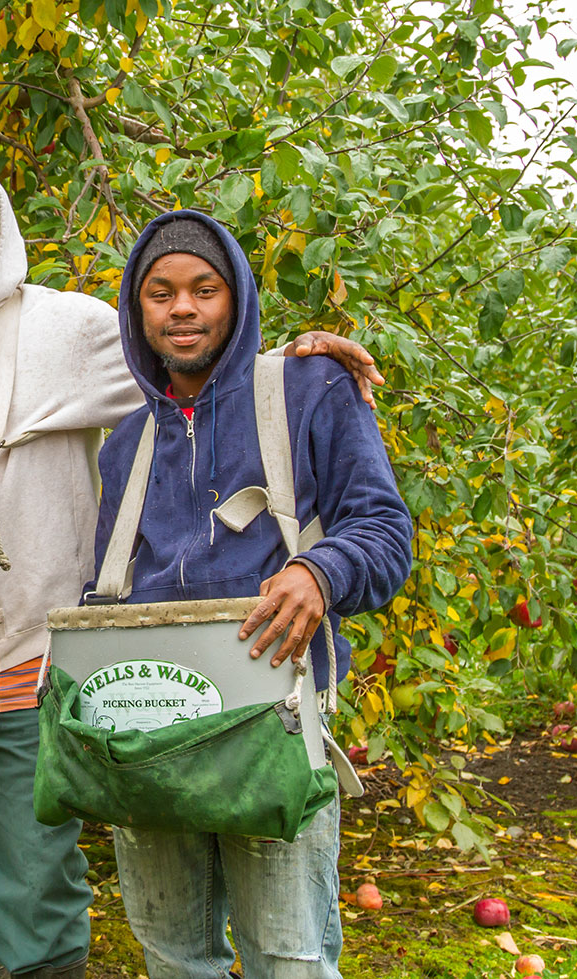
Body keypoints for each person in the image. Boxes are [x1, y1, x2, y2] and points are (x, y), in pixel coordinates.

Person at [0, 160, 382, 979]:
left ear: (3, 239)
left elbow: (201, 362)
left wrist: (302, 358)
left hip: (31, 653)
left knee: (42, 874)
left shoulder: (68, 330)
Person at [91, 209, 413, 978]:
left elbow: (383, 531)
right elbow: (102, 593)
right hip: (152, 734)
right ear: (138, 311)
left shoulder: (307, 388)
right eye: (161, 292)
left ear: (235, 297)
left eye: (204, 288)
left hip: (272, 723)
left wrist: (318, 570)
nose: (184, 309)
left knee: (288, 955)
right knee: (173, 952)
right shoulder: (125, 446)